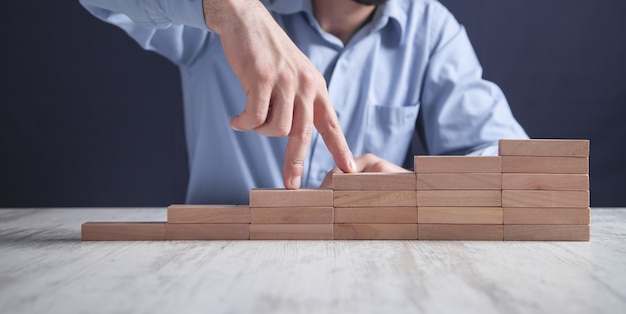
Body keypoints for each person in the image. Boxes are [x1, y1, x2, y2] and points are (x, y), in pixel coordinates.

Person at [79, 0, 528, 204]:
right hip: (219, 270)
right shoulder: (234, 10)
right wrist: (230, 9)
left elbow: (517, 167)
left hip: (368, 281)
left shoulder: (429, 27)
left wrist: (418, 190)